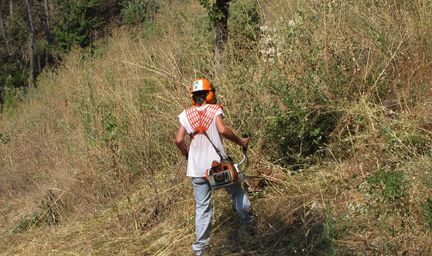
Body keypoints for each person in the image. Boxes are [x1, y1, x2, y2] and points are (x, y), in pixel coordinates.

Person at [175, 78, 254, 256]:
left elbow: (179, 140)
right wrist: (241, 141)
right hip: (218, 167)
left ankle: (200, 249)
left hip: (196, 170)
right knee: (236, 193)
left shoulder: (185, 114)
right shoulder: (215, 108)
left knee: (202, 207)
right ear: (209, 93)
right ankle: (249, 224)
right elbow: (223, 130)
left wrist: (187, 155)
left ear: (193, 97)